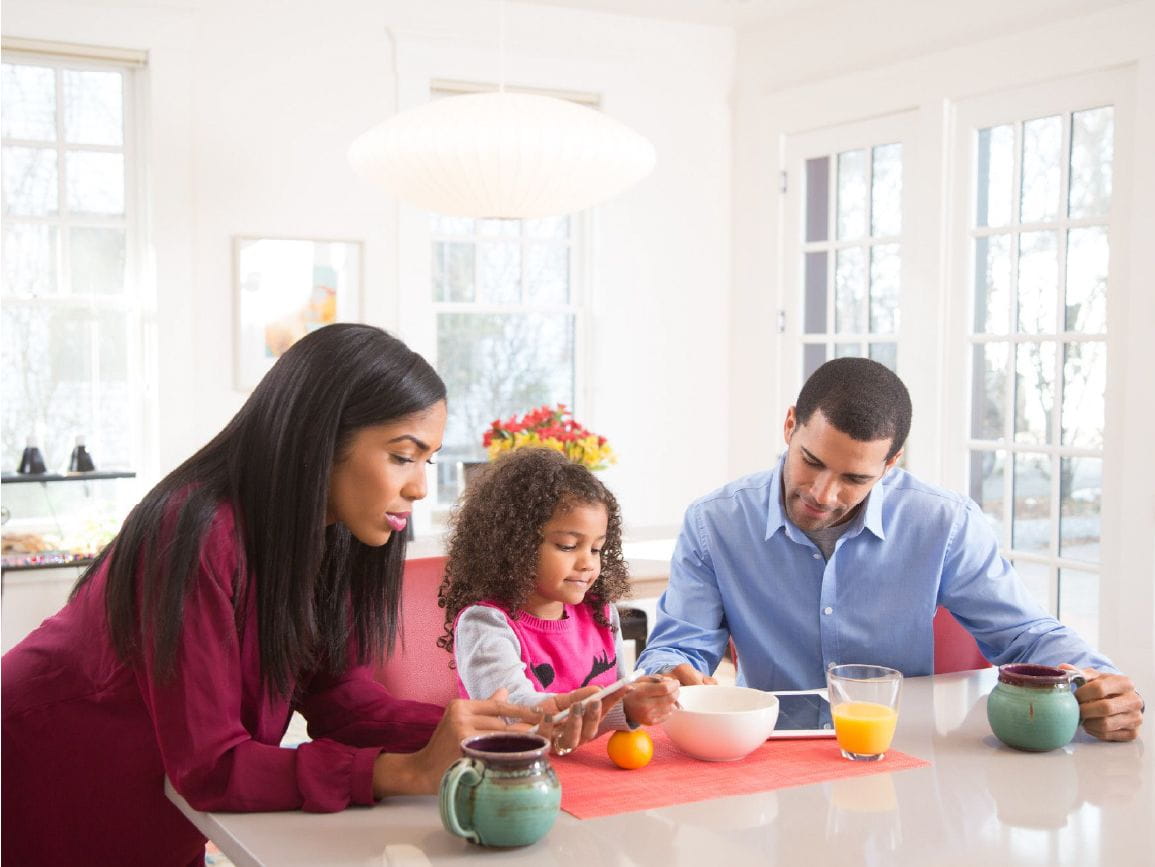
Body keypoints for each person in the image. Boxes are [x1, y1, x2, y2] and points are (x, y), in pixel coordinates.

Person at [1, 324, 586, 866]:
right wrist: (402, 772)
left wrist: (504, 727)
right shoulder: (198, 529)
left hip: (159, 798)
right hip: (50, 767)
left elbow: (341, 698)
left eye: (427, 460)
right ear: (321, 441)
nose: (419, 485)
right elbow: (210, 766)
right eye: (403, 455)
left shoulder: (333, 536)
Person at [636, 357, 1143, 742]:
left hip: (906, 753)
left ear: (891, 463)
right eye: (811, 461)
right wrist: (664, 675)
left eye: (855, 478)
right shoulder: (714, 523)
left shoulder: (943, 523)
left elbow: (1027, 636)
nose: (823, 494)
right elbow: (678, 647)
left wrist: (1100, 681)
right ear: (790, 425)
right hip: (769, 749)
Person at [439, 447, 679, 755]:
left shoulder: (600, 611)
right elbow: (513, 710)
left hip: (594, 771)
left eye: (596, 549)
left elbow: (616, 692)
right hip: (518, 772)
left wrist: (645, 694)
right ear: (516, 544)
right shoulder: (485, 623)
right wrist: (624, 708)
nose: (587, 563)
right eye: (568, 546)